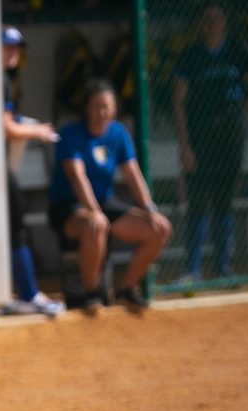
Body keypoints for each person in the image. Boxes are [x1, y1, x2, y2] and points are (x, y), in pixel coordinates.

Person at [47, 80, 172, 311]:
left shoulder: (118, 133)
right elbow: (77, 177)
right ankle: (92, 292)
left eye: (106, 106)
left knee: (159, 229)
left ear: (114, 109)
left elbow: (133, 174)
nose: (101, 112)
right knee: (97, 225)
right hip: (68, 206)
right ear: (86, 108)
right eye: (96, 106)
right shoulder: (71, 133)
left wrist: (150, 210)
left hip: (104, 202)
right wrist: (94, 212)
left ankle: (126, 289)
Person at [171, 4, 248, 283]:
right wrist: (185, 146)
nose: (213, 25)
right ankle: (192, 268)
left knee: (224, 201)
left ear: (225, 23)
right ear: (200, 24)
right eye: (207, 20)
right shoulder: (191, 55)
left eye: (218, 19)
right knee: (198, 201)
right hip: (200, 139)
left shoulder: (238, 51)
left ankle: (223, 267)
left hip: (231, 138)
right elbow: (179, 102)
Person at [0, 27, 65, 318]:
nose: (13, 52)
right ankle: (29, 295)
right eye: (7, 47)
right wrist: (38, 131)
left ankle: (7, 294)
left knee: (7, 225)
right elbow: (7, 128)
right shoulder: (0, 80)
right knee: (16, 222)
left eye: (16, 47)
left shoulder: (4, 79)